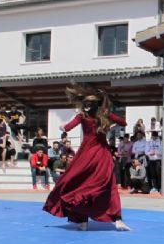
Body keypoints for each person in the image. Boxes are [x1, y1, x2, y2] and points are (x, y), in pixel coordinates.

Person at [43, 84, 130, 232]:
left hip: (87, 155)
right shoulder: (104, 115)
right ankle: (117, 220)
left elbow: (67, 128)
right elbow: (124, 123)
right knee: (108, 186)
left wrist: (62, 127)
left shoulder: (82, 116)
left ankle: (83, 221)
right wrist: (110, 119)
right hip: (102, 155)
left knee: (81, 184)